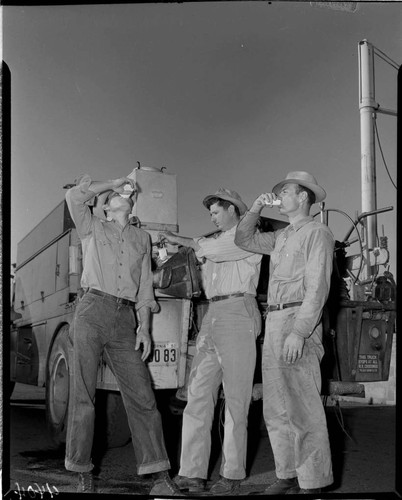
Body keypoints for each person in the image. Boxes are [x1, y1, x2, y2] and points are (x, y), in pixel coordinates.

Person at [64, 174, 180, 495]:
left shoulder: (142, 239)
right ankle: (82, 471)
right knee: (84, 395)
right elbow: (75, 197)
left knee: (142, 396)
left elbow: (145, 289)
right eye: (116, 196)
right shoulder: (92, 227)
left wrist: (144, 326)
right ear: (107, 207)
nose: (123, 196)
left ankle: (158, 474)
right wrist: (114, 181)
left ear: (131, 207)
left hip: (125, 318)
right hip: (92, 309)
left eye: (127, 195)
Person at [234, 171, 334, 495]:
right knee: (275, 408)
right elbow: (243, 239)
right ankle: (287, 474)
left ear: (303, 196)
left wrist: (301, 331)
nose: (280, 196)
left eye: (286, 191)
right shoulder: (280, 237)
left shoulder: (317, 232)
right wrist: (254, 209)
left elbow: (318, 287)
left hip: (297, 320)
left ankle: (314, 483)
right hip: (274, 320)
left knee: (303, 408)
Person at [158, 188, 262, 496]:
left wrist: (179, 241)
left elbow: (204, 247)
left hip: (238, 312)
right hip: (213, 314)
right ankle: (191, 473)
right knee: (197, 396)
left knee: (236, 401)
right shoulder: (215, 241)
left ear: (232, 210)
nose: (212, 216)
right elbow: (198, 260)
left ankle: (231, 474)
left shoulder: (246, 236)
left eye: (216, 211)